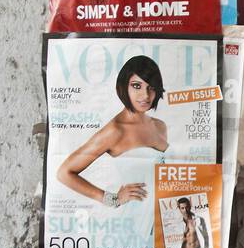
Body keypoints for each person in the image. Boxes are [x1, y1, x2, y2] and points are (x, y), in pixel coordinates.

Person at [56, 55, 168, 212]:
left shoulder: (160, 126)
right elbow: (64, 173)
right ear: (123, 87)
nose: (145, 96)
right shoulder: (115, 131)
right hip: (135, 219)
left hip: (164, 213)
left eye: (151, 88)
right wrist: (113, 199)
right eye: (137, 86)